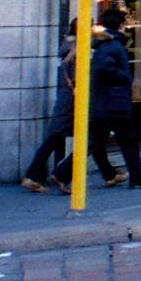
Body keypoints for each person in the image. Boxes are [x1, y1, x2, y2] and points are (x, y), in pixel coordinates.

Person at [23, 18, 126, 193]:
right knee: (85, 139)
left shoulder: (67, 45)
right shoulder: (77, 49)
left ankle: (108, 173)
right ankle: (37, 175)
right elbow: (79, 76)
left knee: (87, 138)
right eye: (91, 25)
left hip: (67, 99)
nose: (93, 28)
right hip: (73, 101)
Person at [76, 23, 141, 189]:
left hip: (106, 103)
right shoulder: (112, 46)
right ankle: (137, 177)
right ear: (119, 27)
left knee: (98, 143)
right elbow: (106, 68)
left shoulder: (105, 46)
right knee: (125, 140)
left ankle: (135, 176)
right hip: (113, 103)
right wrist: (125, 77)